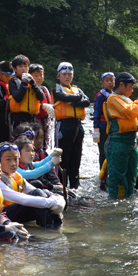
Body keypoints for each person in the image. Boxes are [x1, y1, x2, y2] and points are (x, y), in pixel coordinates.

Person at [0, 142, 65, 228]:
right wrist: (51, 203)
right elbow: (23, 199)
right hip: (4, 217)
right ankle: (50, 229)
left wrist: (56, 199)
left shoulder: (16, 175)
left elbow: (33, 190)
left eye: (16, 159)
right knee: (39, 195)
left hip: (16, 210)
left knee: (43, 192)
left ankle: (55, 225)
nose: (13, 163)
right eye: (8, 159)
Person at [104, 72, 138, 200]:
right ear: (121, 84)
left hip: (131, 142)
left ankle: (129, 199)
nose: (132, 90)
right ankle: (117, 204)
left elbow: (134, 115)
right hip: (118, 142)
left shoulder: (126, 100)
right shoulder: (113, 98)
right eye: (130, 87)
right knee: (118, 175)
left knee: (132, 173)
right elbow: (129, 112)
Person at [52, 62, 90, 192]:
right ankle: (62, 185)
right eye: (64, 74)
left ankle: (75, 186)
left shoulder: (77, 90)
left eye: (69, 74)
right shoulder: (57, 88)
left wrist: (72, 101)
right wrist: (77, 100)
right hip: (64, 125)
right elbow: (61, 96)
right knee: (63, 157)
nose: (67, 77)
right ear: (59, 76)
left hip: (78, 126)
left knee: (76, 156)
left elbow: (86, 101)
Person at [8, 55, 46, 131]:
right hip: (18, 119)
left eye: (26, 66)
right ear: (15, 68)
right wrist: (24, 82)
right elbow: (18, 98)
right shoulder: (13, 81)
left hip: (32, 118)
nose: (24, 69)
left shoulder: (32, 82)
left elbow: (41, 97)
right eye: (20, 66)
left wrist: (33, 83)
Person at [92, 72, 115, 173]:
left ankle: (110, 172)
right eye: (107, 80)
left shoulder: (115, 95)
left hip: (112, 127)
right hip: (102, 127)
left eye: (112, 80)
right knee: (103, 152)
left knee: (112, 151)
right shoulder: (100, 96)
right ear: (102, 83)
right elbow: (96, 113)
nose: (110, 82)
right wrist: (96, 129)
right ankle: (103, 173)